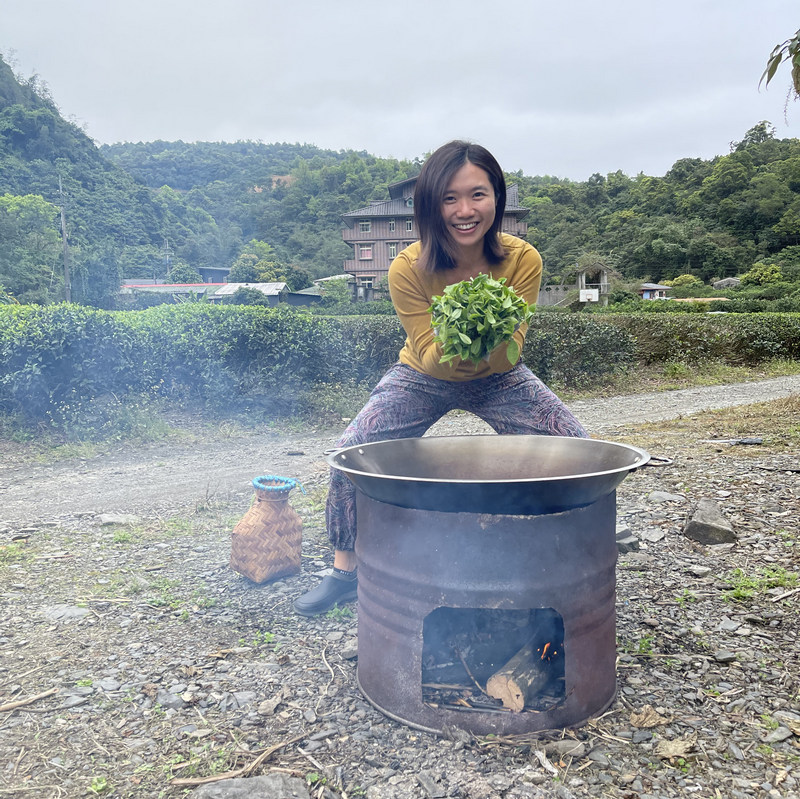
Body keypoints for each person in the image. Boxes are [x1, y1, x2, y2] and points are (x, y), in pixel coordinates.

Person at [293, 140, 587, 617]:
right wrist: (458, 349)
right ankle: (345, 571)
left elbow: (512, 343)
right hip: (421, 374)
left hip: (501, 375)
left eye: (478, 194)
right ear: (430, 205)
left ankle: (565, 555)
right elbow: (429, 355)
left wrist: (484, 353)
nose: (465, 210)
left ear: (498, 198)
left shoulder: (522, 259)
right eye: (449, 198)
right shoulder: (407, 267)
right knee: (352, 452)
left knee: (575, 446)